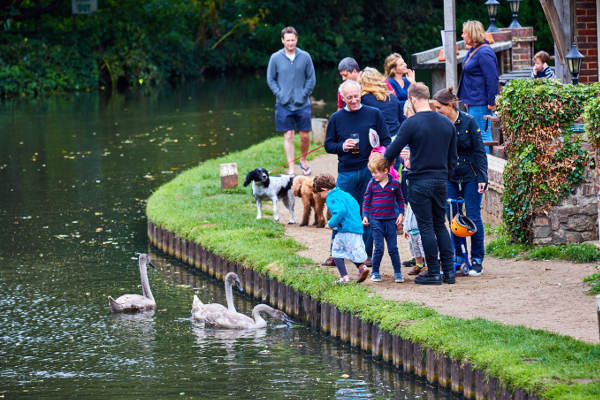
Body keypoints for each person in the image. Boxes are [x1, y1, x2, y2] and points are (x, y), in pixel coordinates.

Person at [384, 82, 457, 285]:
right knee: (440, 225)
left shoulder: (411, 123)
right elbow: (453, 158)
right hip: (441, 179)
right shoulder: (446, 123)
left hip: (419, 180)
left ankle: (433, 272)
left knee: (425, 226)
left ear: (412, 99)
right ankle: (449, 273)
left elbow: (391, 151)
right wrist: (444, 175)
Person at [322, 79, 391, 267]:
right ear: (342, 98)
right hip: (346, 171)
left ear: (360, 94)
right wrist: (342, 146)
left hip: (369, 170)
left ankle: (365, 254)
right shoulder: (336, 118)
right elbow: (328, 145)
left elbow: (385, 140)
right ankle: (335, 254)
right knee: (341, 211)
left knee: (366, 212)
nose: (353, 100)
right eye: (348, 97)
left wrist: (379, 155)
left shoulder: (374, 114)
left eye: (355, 96)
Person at [432, 87, 488, 276]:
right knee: (453, 218)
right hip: (450, 177)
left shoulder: (469, 122)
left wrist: (483, 177)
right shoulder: (439, 124)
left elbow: (480, 151)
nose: (436, 111)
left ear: (449, 106)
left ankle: (477, 259)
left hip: (471, 176)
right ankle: (457, 256)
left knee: (472, 216)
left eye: (439, 108)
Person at [266, 26, 316, 176]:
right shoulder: (275, 58)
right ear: (282, 40)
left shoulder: (305, 57)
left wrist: (304, 94)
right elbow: (270, 79)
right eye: (287, 40)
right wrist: (280, 94)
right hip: (283, 104)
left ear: (296, 39)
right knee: (288, 135)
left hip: (303, 103)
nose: (290, 43)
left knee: (305, 135)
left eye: (293, 40)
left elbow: (311, 79)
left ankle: (304, 160)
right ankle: (291, 167)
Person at [313, 173, 370, 284]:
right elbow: (355, 205)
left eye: (320, 193)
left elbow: (340, 211)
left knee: (336, 253)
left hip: (346, 230)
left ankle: (344, 278)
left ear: (324, 189)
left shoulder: (331, 198)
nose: (320, 196)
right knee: (350, 251)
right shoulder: (345, 194)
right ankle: (362, 268)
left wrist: (330, 223)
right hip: (357, 228)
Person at [362, 153, 405, 283]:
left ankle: (398, 273)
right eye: (372, 173)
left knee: (393, 248)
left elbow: (400, 200)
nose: (373, 175)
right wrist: (365, 215)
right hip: (375, 220)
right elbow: (366, 200)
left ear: (385, 171)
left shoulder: (395, 184)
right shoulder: (372, 184)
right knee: (379, 248)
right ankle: (375, 272)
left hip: (390, 220)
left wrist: (401, 213)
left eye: (376, 173)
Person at [457, 20, 498, 153]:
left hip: (481, 102)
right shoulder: (473, 50)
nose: (462, 36)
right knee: (475, 136)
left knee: (482, 136)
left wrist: (492, 101)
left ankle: (486, 168)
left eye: (464, 33)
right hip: (472, 101)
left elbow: (492, 79)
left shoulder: (484, 52)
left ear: (472, 34)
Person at [360, 67, 403, 138]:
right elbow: (401, 120)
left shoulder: (362, 99)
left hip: (379, 140)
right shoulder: (392, 97)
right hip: (397, 138)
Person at [383, 53, 415, 117]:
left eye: (404, 62)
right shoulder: (388, 82)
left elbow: (418, 96)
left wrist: (413, 82)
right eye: (401, 65)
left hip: (411, 114)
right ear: (394, 70)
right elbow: (393, 103)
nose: (405, 65)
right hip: (397, 116)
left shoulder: (407, 80)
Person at [403, 202, 427, 276]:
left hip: (421, 230)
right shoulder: (410, 202)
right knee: (415, 250)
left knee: (424, 249)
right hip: (411, 231)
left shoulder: (422, 200)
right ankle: (419, 265)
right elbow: (407, 215)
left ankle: (427, 267)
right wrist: (405, 228)